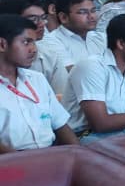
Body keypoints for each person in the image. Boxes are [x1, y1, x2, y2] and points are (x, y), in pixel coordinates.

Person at [65, 15, 125, 140]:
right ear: (121, 43)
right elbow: (100, 124)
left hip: (124, 137)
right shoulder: (91, 66)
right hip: (86, 137)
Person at [0, 14, 77, 152]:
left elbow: (60, 125)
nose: (34, 49)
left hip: (49, 153)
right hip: (11, 159)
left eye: (34, 42)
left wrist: (78, 154)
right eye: (26, 42)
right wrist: (28, 162)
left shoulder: (37, 79)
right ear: (2, 45)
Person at [0, 0, 68, 99]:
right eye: (33, 19)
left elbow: (63, 97)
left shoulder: (49, 56)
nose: (42, 24)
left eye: (43, 18)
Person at [43, 0, 105, 70]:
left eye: (93, 11)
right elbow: (72, 72)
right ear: (63, 17)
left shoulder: (100, 37)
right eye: (83, 12)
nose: (91, 16)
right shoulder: (52, 41)